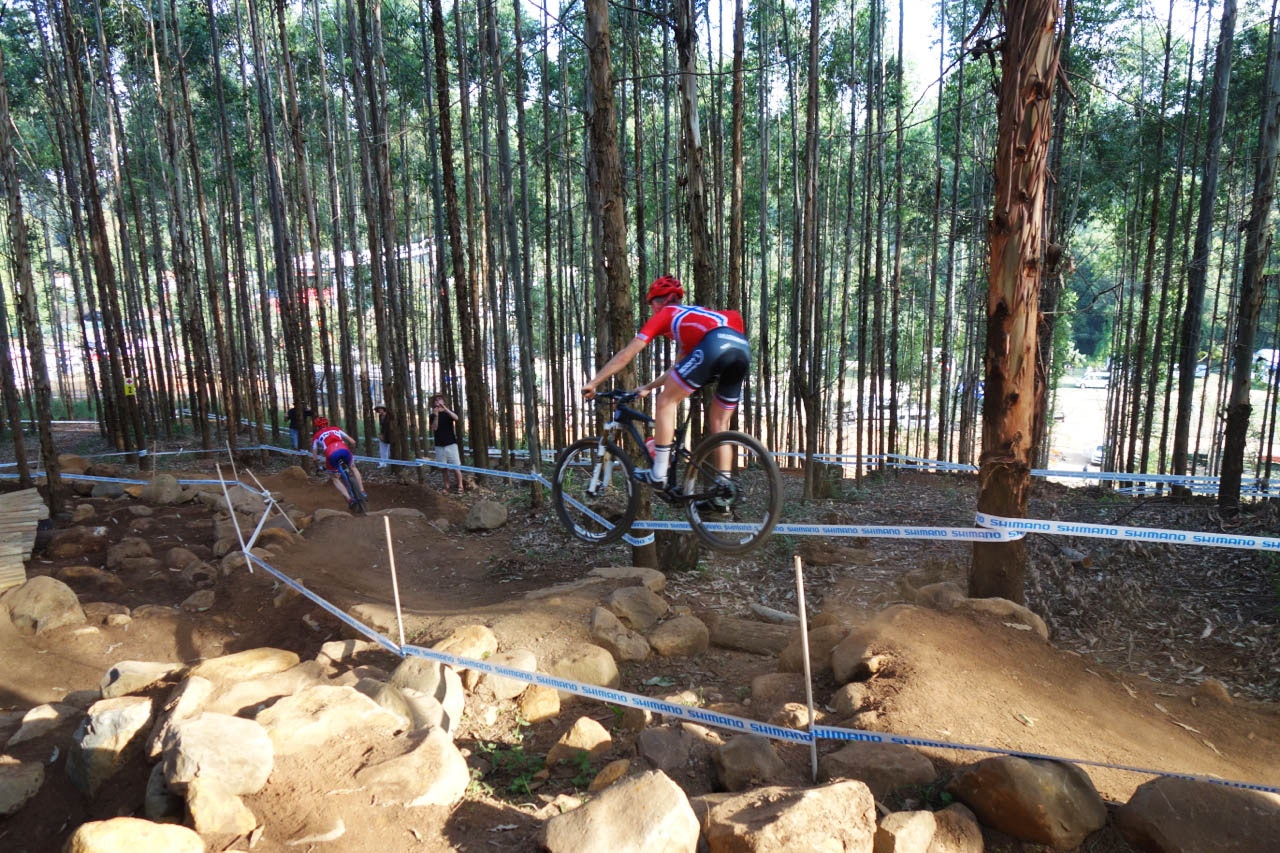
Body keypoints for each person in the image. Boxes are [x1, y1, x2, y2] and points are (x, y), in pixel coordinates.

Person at [581, 275, 749, 489]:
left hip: (715, 344)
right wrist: (647, 387)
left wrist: (594, 382)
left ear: (662, 301)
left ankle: (659, 472)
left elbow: (627, 353)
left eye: (651, 305)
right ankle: (724, 490)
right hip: (741, 350)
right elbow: (676, 371)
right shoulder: (695, 324)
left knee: (665, 402)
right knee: (719, 425)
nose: (651, 310)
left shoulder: (668, 313)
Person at [310, 416, 367, 510]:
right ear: (327, 424)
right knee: (353, 467)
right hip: (344, 450)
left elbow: (314, 458)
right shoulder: (336, 429)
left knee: (334, 478)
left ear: (317, 427)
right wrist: (352, 451)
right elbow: (353, 441)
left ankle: (349, 499)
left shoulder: (316, 436)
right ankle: (362, 490)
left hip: (331, 453)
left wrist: (317, 466)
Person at [429, 394, 465, 493]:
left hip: (451, 444)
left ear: (443, 401)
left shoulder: (448, 413)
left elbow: (456, 418)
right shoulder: (432, 415)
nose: (438, 401)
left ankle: (460, 486)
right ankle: (447, 486)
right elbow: (434, 428)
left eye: (440, 399)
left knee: (456, 466)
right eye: (436, 400)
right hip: (439, 445)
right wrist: (436, 416)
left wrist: (445, 408)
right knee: (443, 468)